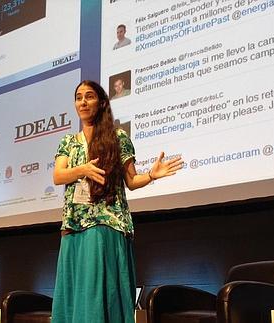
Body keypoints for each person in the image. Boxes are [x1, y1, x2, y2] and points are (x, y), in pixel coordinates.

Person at [51, 80, 183, 323]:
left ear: (101, 103)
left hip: (105, 225)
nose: (82, 101)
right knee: (72, 301)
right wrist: (83, 170)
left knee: (96, 302)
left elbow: (131, 180)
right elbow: (59, 175)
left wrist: (152, 175)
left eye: (89, 96)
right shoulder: (68, 142)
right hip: (72, 227)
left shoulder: (118, 137)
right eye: (78, 97)